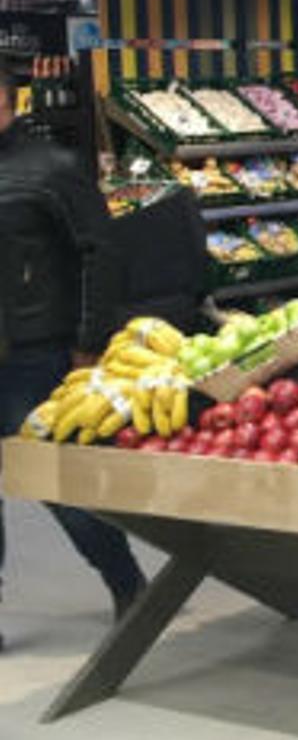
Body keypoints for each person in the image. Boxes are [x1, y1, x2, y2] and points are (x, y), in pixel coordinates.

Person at [0, 70, 147, 651]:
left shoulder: (53, 169)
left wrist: (88, 341)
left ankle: (126, 581)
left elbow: (101, 253)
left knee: (59, 485)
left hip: (34, 353)